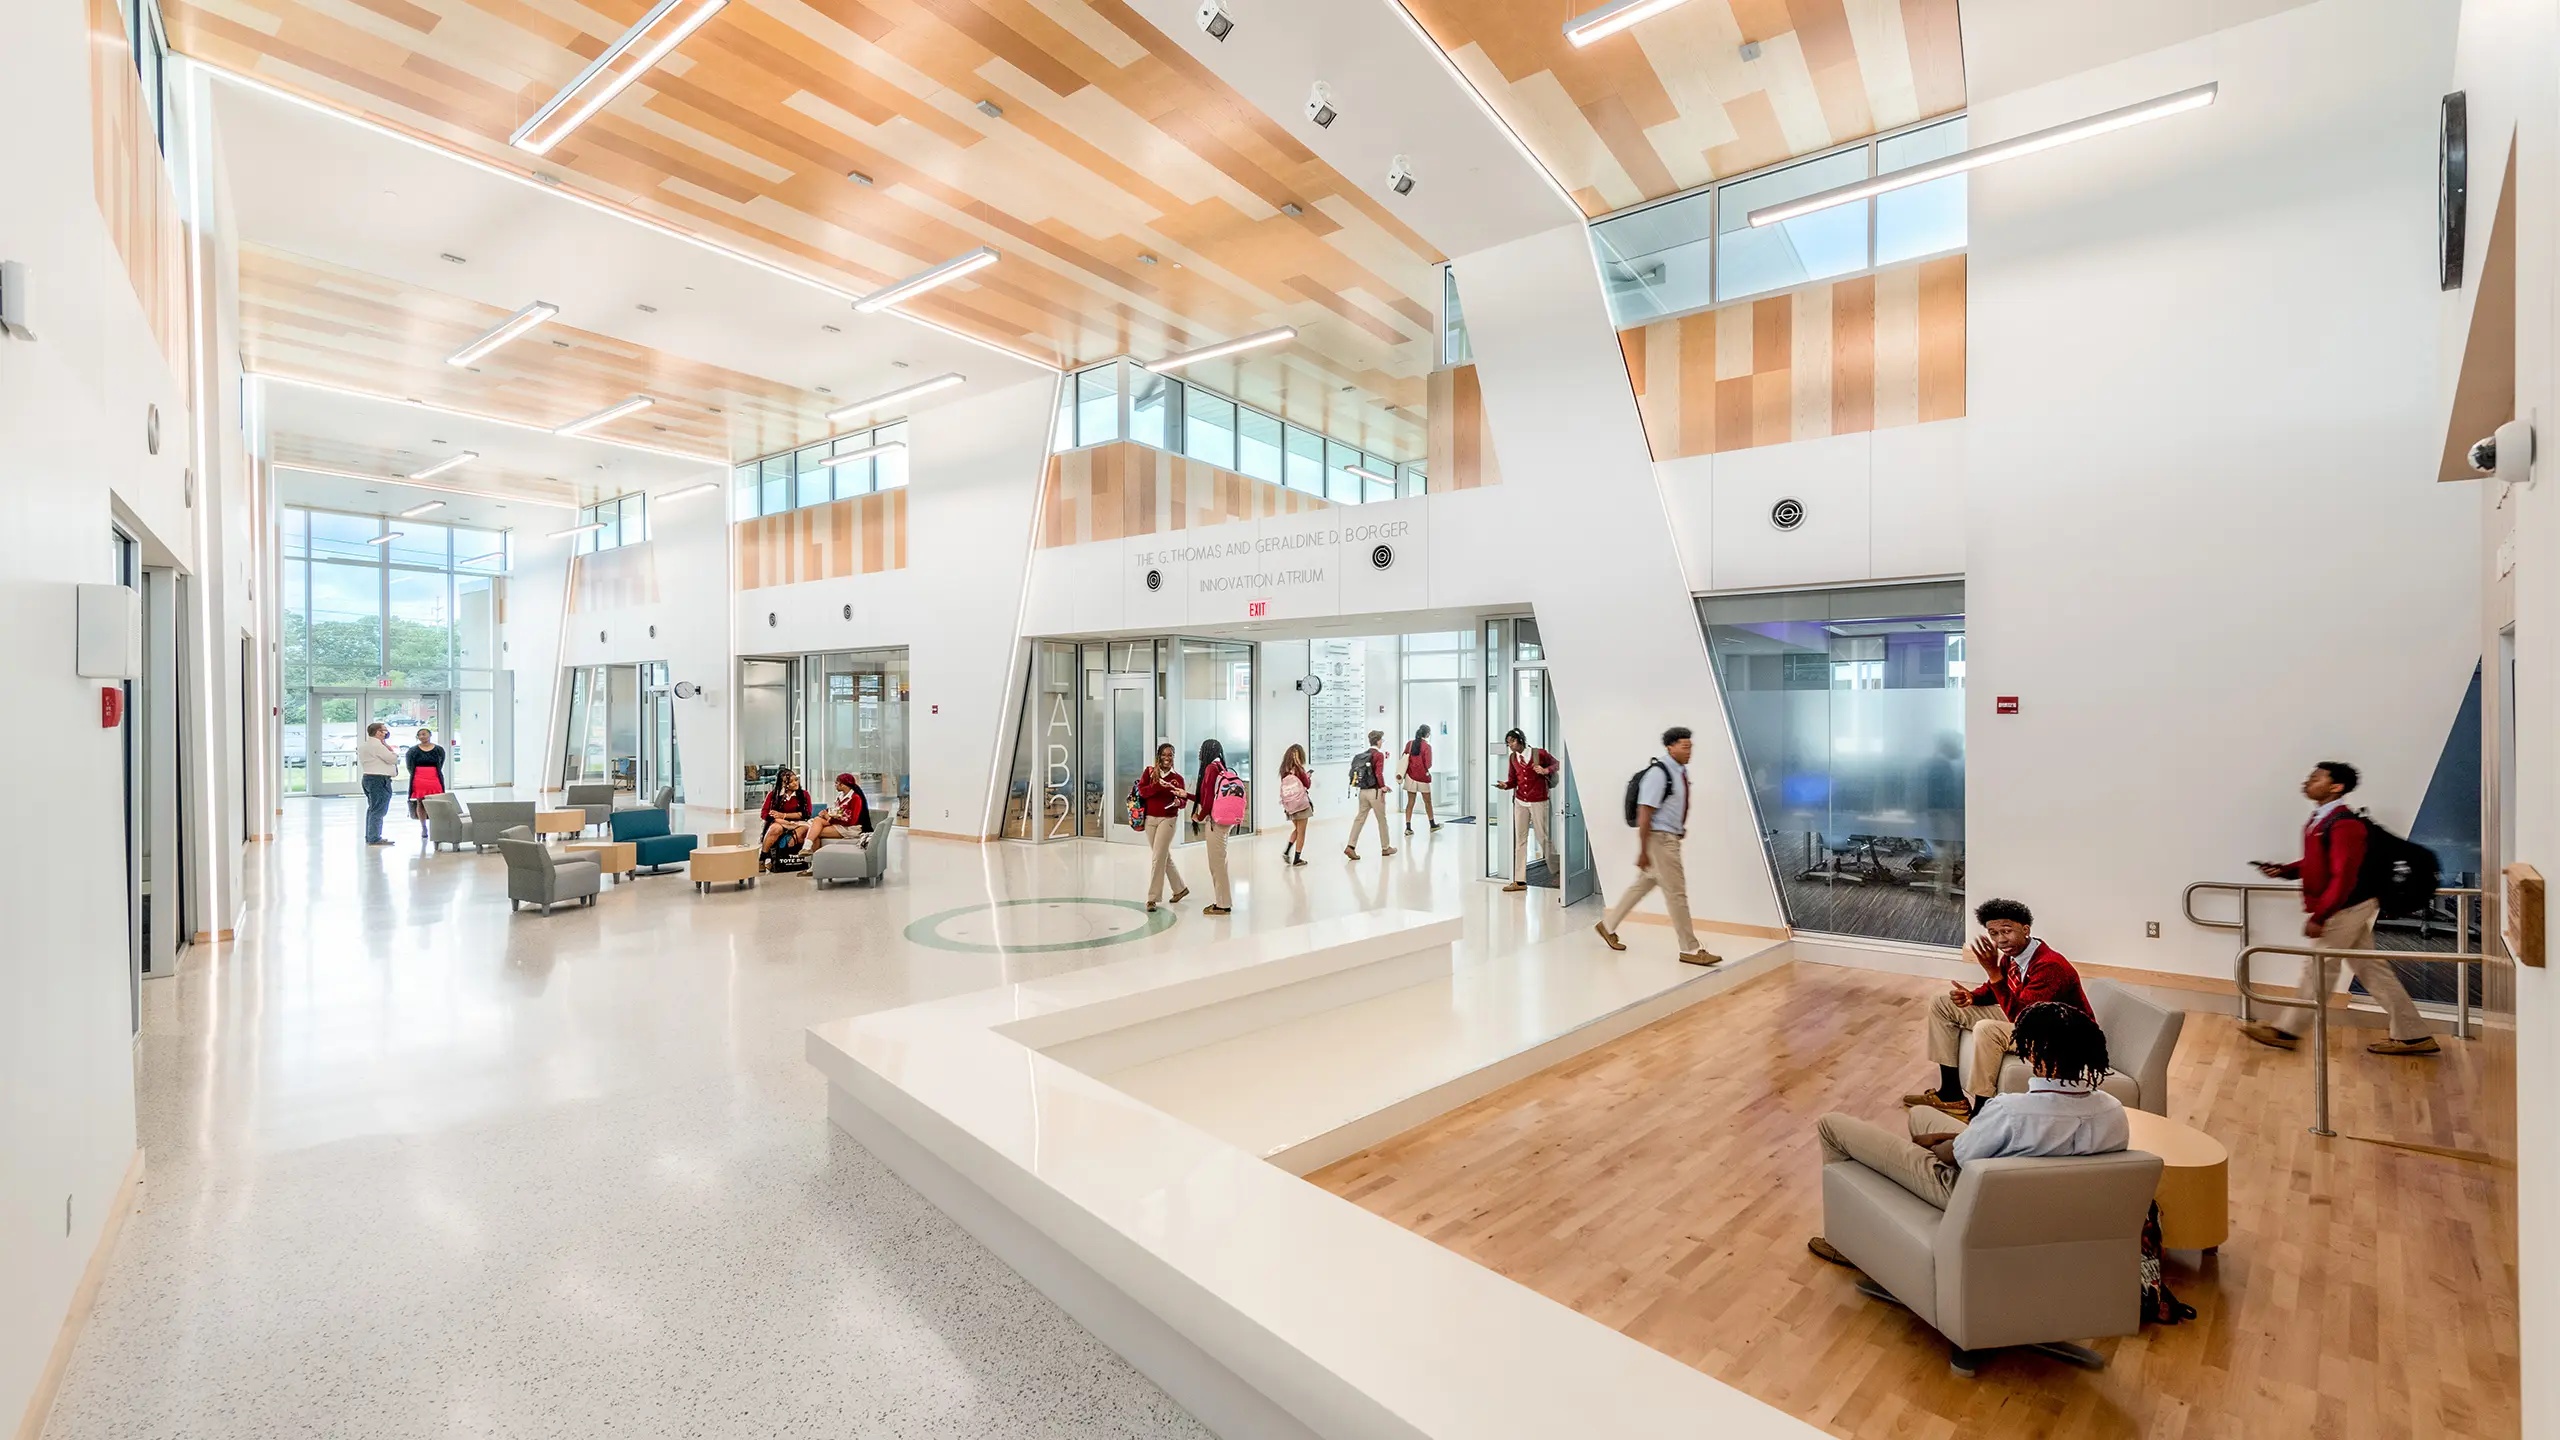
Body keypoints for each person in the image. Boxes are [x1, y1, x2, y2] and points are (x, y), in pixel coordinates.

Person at [1808, 1002, 2129, 1259]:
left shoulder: (2011, 1111)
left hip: (1972, 1196)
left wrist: (1932, 1145)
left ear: (2037, 1054)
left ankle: (1844, 1242)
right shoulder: (2113, 1111)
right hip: (2047, 1209)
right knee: (1921, 1114)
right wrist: (1958, 1138)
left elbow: (1954, 1157)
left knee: (1831, 1125)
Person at [2242, 761, 2438, 1056]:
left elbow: (2344, 875)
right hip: (2349, 905)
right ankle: (2414, 1035)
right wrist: (2285, 870)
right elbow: (2320, 862)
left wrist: (2321, 915)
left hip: (2347, 907)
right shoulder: (2320, 821)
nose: (2307, 781)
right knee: (2371, 970)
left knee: (2319, 967)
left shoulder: (2345, 825)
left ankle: (2287, 1031)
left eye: (2316, 778)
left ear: (2336, 787)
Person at [1904, 898, 2092, 1117]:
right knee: (1942, 1003)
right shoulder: (2014, 956)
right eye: (1993, 933)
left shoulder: (2050, 966)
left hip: (2060, 1035)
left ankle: (1982, 1114)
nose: (2000, 939)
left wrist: (1993, 972)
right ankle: (1951, 1094)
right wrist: (1972, 997)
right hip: (2033, 1021)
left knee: (1987, 1029)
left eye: (2006, 931)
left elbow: (2023, 1018)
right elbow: (1996, 989)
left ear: (2025, 929)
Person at [1595, 727, 1718, 967]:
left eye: (1691, 747)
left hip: (1667, 837)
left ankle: (1607, 926)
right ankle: (1690, 949)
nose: (1689, 751)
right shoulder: (1659, 774)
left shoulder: (1679, 771)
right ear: (1670, 747)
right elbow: (1645, 812)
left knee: (1643, 884)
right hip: (1660, 840)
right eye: (1685, 746)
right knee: (1676, 894)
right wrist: (1643, 850)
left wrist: (1678, 828)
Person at [1495, 728, 1557, 894]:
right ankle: (1520, 880)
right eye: (1508, 743)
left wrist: (1545, 770)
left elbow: (1556, 764)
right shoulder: (1513, 758)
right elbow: (1513, 780)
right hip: (1520, 801)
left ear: (1520, 740)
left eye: (1512, 741)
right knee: (1520, 839)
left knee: (1542, 837)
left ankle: (1558, 871)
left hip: (1539, 800)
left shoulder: (1539, 754)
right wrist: (1505, 785)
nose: (1510, 745)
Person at [1139, 742, 1190, 911]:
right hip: (1150, 819)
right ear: (1158, 756)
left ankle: (1152, 898)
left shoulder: (1178, 779)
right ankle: (1180, 889)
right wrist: (1157, 785)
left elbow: (1183, 801)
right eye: (1164, 755)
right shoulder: (1149, 773)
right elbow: (1142, 792)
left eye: (1170, 755)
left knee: (1157, 858)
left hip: (1168, 819)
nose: (1167, 758)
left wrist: (1179, 802)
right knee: (1162, 856)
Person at [1191, 739, 1236, 916]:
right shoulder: (1220, 767)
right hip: (1225, 821)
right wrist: (1186, 795)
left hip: (1215, 822)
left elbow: (1208, 800)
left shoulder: (1210, 768)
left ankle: (1223, 904)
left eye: (1201, 750)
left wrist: (1199, 816)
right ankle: (1224, 901)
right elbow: (1207, 796)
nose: (1199, 754)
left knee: (1217, 864)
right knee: (1221, 862)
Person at [1345, 729, 1395, 860]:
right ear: (1378, 741)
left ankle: (1350, 846)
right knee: (1382, 820)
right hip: (1375, 792)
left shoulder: (1364, 755)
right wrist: (1383, 786)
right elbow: (1378, 773)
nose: (1382, 742)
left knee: (1359, 819)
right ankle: (1386, 847)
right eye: (1381, 740)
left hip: (1362, 791)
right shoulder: (1378, 755)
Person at [798, 773, 871, 856]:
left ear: (843, 784)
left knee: (814, 832)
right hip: (838, 824)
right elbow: (836, 810)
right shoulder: (841, 796)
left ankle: (811, 854)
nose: (835, 785)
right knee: (817, 821)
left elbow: (852, 820)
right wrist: (825, 812)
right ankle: (807, 849)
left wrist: (829, 818)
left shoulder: (855, 798)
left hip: (849, 828)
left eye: (836, 783)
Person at [357, 722, 400, 847]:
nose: (386, 733)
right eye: (384, 731)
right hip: (379, 780)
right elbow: (392, 759)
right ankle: (374, 838)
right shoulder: (378, 746)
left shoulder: (364, 745)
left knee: (373, 808)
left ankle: (371, 836)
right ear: (378, 732)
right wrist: (388, 747)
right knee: (378, 810)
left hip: (368, 778)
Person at [760, 768, 813, 866]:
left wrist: (783, 815)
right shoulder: (773, 795)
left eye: (796, 780)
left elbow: (807, 813)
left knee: (802, 832)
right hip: (778, 822)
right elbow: (764, 813)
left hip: (799, 823)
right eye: (790, 781)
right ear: (783, 784)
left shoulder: (804, 794)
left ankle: (788, 859)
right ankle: (762, 859)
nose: (795, 783)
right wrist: (779, 820)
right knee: (775, 829)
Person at [404, 727, 447, 841]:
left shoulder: (438, 749)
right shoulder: (413, 750)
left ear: (430, 735)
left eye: (424, 734)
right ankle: (423, 827)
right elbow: (409, 766)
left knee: (436, 802)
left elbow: (441, 763)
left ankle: (436, 826)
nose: (422, 736)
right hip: (419, 778)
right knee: (420, 802)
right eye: (420, 735)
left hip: (434, 778)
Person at [1400, 724, 1440, 836]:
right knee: (1428, 802)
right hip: (1422, 777)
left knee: (1410, 802)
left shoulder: (1409, 744)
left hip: (1410, 776)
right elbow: (1428, 764)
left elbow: (1404, 757)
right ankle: (1432, 824)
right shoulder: (1427, 747)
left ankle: (1408, 827)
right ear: (1427, 734)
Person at [1278, 744, 1313, 867]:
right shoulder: (1299, 770)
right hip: (1301, 805)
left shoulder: (1284, 771)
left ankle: (1287, 851)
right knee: (1301, 832)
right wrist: (1308, 776)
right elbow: (1307, 784)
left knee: (1297, 829)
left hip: (1290, 806)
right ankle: (1297, 859)